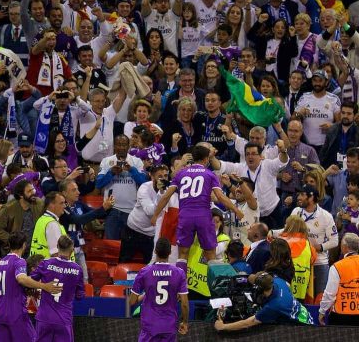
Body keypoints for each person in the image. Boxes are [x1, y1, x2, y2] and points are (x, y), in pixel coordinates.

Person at [152, 145, 243, 275]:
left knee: (182, 254)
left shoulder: (181, 174)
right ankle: (214, 289)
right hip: (204, 217)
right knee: (210, 254)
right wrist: (236, 210)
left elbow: (166, 196)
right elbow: (220, 197)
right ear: (206, 159)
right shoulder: (210, 174)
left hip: (185, 216)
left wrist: (155, 215)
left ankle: (180, 289)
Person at [0, 231, 62, 342]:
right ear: (24, 245)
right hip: (16, 314)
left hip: (0, 313)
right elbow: (21, 278)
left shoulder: (1, 262)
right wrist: (44, 286)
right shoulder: (19, 261)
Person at [130, 238, 189, 340]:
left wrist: (146, 294)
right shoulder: (179, 273)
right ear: (170, 252)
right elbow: (184, 303)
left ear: (155, 251)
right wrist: (185, 322)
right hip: (169, 326)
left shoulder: (144, 272)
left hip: (149, 326)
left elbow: (132, 301)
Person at [319, 233, 359, 326]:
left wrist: (322, 311)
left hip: (340, 317)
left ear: (344, 247)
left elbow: (330, 293)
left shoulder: (337, 266)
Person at [284, 184, 337, 297]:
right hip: (298, 263)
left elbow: (334, 241)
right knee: (297, 296)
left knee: (320, 297)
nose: (298, 197)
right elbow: (286, 231)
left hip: (319, 262)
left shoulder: (326, 216)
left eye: (302, 195)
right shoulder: (296, 212)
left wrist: (319, 247)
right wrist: (272, 233)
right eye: (299, 194)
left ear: (312, 197)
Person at [214, 271, 313, 331]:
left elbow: (248, 323)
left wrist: (223, 326)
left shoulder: (274, 306)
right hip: (307, 317)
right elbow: (287, 285)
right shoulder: (278, 281)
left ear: (260, 289)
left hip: (303, 329)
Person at [31, 235, 85, 342]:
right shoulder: (78, 270)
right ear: (72, 249)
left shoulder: (45, 263)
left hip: (44, 318)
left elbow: (32, 279)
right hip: (63, 319)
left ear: (57, 247)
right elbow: (80, 296)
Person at [0, 179, 44, 256]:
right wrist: (13, 240)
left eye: (33, 189)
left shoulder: (39, 203)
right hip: (15, 251)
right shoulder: (8, 208)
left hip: (34, 250)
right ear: (21, 195)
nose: (33, 193)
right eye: (29, 191)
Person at [277, 215, 317, 303]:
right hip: (301, 288)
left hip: (282, 287)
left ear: (289, 226)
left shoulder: (280, 243)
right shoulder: (309, 246)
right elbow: (313, 260)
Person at [30, 192, 70, 259]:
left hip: (39, 265)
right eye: (61, 203)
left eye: (64, 203)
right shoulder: (52, 224)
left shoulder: (42, 219)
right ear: (51, 205)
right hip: (49, 267)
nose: (65, 206)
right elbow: (56, 254)